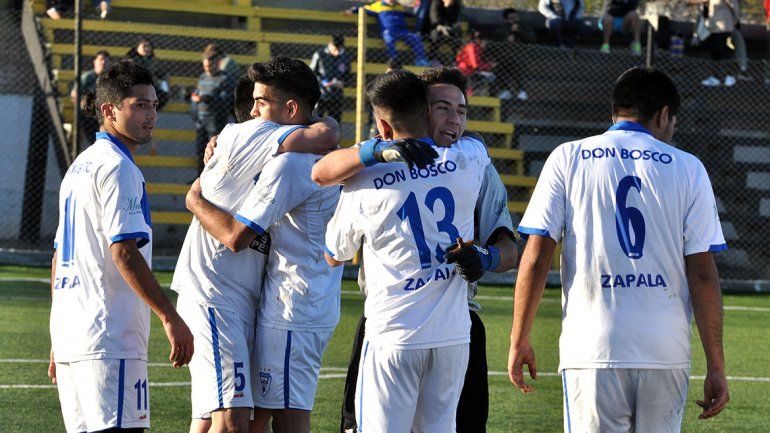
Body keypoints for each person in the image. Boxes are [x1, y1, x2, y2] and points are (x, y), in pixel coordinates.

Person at [508, 67, 730, 432]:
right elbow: (703, 274)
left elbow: (535, 258)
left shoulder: (567, 157)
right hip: (665, 348)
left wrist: (520, 338)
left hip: (592, 347)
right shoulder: (689, 168)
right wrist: (716, 366)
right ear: (663, 114)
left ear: (615, 110)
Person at [329, 67, 518, 433]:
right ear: (419, 111)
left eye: (461, 111)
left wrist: (487, 258)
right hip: (400, 323)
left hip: (454, 318)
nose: (454, 119)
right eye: (442, 108)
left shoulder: (475, 165)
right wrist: (379, 150)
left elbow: (508, 247)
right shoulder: (464, 157)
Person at [172, 56, 340, 433]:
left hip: (242, 295)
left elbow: (326, 132)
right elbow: (327, 133)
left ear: (291, 109)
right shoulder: (250, 135)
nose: (252, 111)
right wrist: (194, 199)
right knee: (234, 421)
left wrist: (196, 198)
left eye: (261, 101)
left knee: (216, 418)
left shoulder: (276, 146)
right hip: (215, 292)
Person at [48, 60, 194, 433]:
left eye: (155, 105)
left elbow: (57, 257)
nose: (152, 115)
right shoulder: (118, 168)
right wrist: (170, 317)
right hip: (109, 338)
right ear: (108, 111)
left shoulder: (80, 166)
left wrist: (57, 334)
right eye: (140, 105)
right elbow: (124, 251)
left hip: (72, 336)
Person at [191, 44, 235, 175]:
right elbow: (197, 90)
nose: (208, 69)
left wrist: (208, 98)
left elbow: (226, 100)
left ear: (218, 63)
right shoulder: (203, 77)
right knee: (200, 151)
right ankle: (200, 178)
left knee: (214, 152)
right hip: (201, 120)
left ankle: (213, 178)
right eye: (205, 66)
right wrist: (194, 95)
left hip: (215, 121)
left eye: (210, 65)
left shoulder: (225, 78)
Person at [345, 0, 430, 66]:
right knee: (389, 40)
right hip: (389, 31)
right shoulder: (378, 5)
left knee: (415, 38)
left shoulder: (399, 6)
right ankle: (393, 61)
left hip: (403, 31)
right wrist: (352, 10)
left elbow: (406, 14)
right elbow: (364, 9)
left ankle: (420, 60)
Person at [69, 50, 110, 146]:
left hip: (103, 114)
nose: (103, 62)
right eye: (101, 59)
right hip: (88, 114)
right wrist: (86, 106)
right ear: (95, 62)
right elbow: (74, 95)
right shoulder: (87, 78)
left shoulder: (109, 80)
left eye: (106, 60)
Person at [310, 34, 352, 122]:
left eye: (339, 49)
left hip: (337, 96)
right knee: (315, 122)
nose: (337, 52)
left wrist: (342, 83)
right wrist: (323, 82)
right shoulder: (319, 55)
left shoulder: (345, 57)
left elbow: (348, 76)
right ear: (330, 44)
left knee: (335, 123)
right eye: (335, 49)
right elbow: (311, 73)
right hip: (320, 95)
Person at [700, 0, 740, 87]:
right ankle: (716, 77)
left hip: (724, 26)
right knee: (715, 52)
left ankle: (729, 75)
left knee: (723, 51)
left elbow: (734, 6)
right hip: (713, 26)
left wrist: (735, 21)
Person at [125, 38, 169, 109]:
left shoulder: (152, 60)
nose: (147, 48)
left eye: (149, 47)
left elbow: (160, 72)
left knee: (162, 92)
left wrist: (162, 77)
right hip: (134, 87)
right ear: (137, 47)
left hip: (151, 87)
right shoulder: (131, 59)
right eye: (144, 46)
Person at [456, 30, 495, 96]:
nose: (485, 45)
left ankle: (474, 93)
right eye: (485, 42)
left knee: (490, 76)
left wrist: (488, 65)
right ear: (480, 40)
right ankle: (472, 93)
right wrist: (489, 65)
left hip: (469, 71)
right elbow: (475, 65)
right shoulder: (472, 47)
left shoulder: (478, 49)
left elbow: (478, 63)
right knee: (490, 76)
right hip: (465, 70)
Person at [427, 0, 463, 65]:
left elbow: (454, 20)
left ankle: (454, 60)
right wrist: (442, 28)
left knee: (457, 35)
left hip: (448, 28)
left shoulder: (455, 5)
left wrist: (448, 7)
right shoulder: (436, 3)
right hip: (436, 28)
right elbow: (434, 20)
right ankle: (432, 59)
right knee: (436, 35)